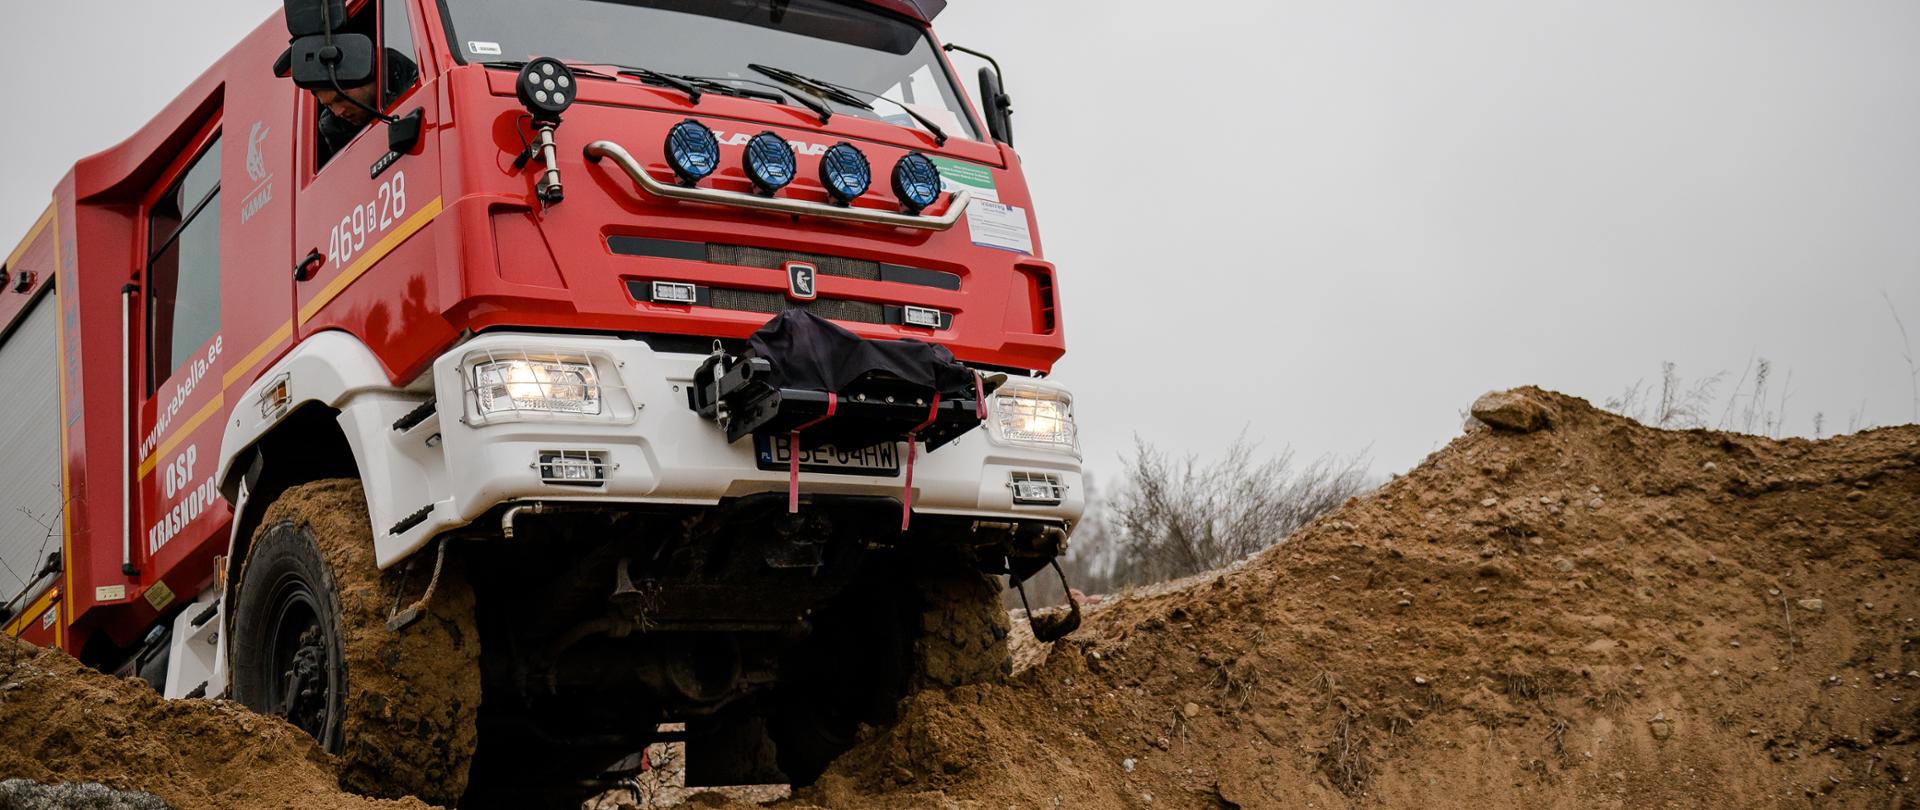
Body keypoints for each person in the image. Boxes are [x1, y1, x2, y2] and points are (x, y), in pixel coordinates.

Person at [313, 48, 418, 166]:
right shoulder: (336, 135)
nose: (337, 112)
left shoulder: (417, 92)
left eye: (341, 97)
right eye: (328, 106)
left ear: (369, 75)